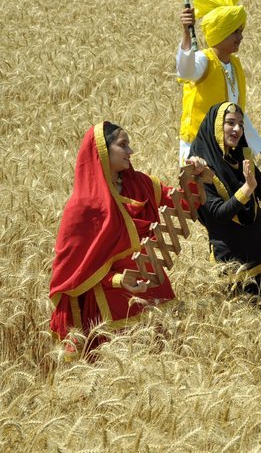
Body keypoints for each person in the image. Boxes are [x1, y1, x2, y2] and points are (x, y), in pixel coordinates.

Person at [49, 122, 208, 356]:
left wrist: (196, 176)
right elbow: (73, 275)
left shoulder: (141, 184)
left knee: (164, 361)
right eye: (123, 145)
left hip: (154, 288)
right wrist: (117, 280)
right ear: (102, 151)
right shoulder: (81, 207)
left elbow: (185, 204)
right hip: (112, 304)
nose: (130, 152)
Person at [189, 103, 261, 295]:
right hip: (234, 261)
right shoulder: (200, 169)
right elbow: (217, 215)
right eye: (230, 123)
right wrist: (247, 188)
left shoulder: (242, 155)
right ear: (216, 126)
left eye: (241, 124)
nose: (237, 129)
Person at [177, 0, 261, 165]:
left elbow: (238, 113)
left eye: (241, 30)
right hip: (198, 152)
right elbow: (185, 72)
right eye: (235, 31)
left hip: (227, 148)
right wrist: (186, 34)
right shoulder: (203, 60)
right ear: (220, 32)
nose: (241, 37)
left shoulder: (235, 65)